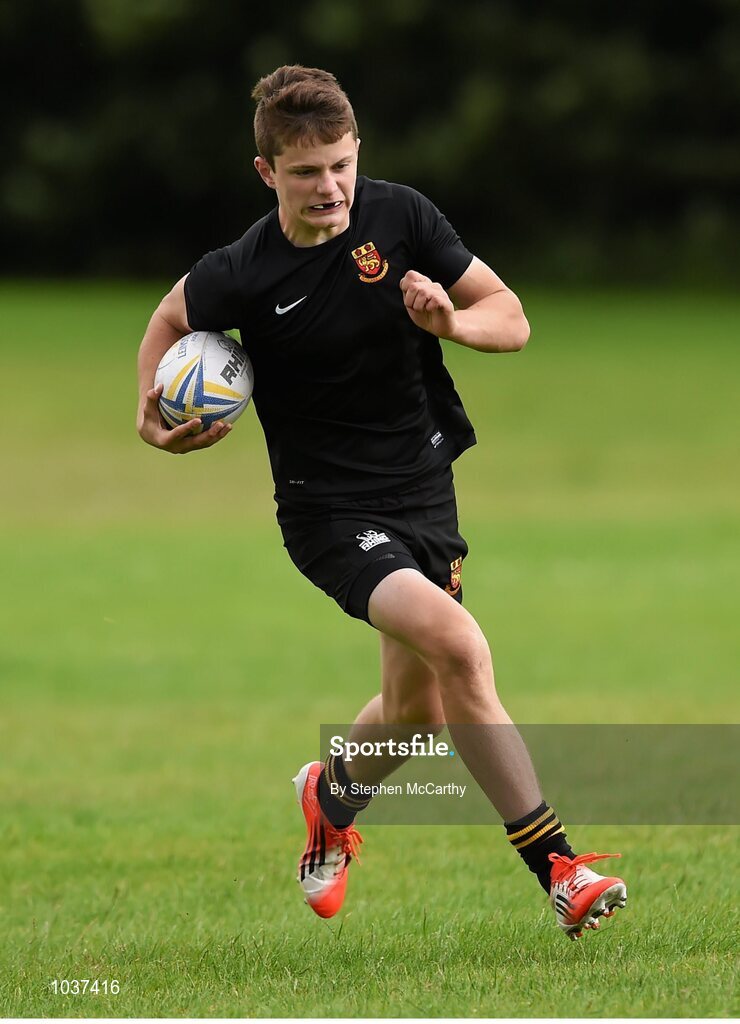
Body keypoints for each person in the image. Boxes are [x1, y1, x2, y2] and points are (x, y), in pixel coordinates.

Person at [136, 65, 627, 939]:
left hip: (424, 487)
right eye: (305, 172)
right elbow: (170, 320)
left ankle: (332, 801)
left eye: (340, 165)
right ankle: (560, 868)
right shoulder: (244, 271)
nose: (328, 187)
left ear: (357, 155)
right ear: (267, 174)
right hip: (327, 512)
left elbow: (509, 316)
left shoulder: (402, 217)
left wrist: (452, 324)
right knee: (462, 649)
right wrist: (150, 414)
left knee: (417, 711)